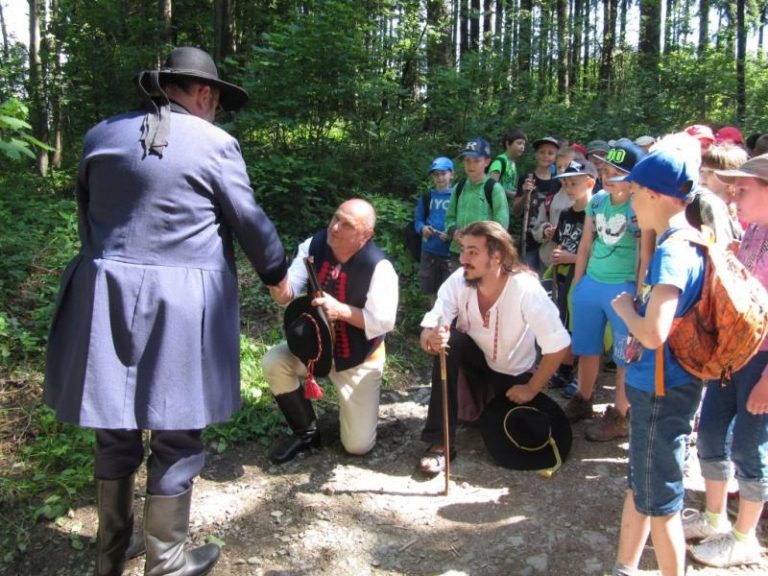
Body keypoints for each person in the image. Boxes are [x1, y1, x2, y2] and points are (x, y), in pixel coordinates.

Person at [42, 47, 290, 576]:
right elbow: (248, 220)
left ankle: (111, 555)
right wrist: (276, 274)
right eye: (216, 103)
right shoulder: (215, 144)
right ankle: (167, 562)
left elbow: (88, 219)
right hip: (180, 306)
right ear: (204, 93)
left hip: (103, 293)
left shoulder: (101, 135)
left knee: (114, 425)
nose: (215, 113)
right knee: (176, 431)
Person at [610, 145, 706, 576]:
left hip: (661, 390)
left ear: (653, 195)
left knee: (662, 503)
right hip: (669, 383)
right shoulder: (691, 241)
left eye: (633, 193)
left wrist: (626, 309)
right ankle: (625, 566)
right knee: (643, 485)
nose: (630, 202)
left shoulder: (672, 253)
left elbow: (653, 333)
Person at [416, 220, 570, 474]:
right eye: (463, 250)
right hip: (474, 363)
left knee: (513, 429)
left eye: (473, 252)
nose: (463, 259)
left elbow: (558, 344)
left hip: (512, 374)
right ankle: (440, 442)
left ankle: (485, 405)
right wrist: (430, 338)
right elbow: (433, 322)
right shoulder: (459, 280)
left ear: (497, 256)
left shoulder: (525, 289)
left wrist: (532, 388)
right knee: (449, 343)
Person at [264, 199, 398, 464]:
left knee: (358, 446)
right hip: (316, 350)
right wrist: (277, 284)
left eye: (347, 224)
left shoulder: (379, 267)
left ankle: (355, 414)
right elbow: (287, 294)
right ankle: (306, 433)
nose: (335, 227)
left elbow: (383, 322)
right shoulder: (313, 245)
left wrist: (342, 310)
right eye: (336, 218)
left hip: (359, 359)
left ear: (366, 235)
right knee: (274, 362)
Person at [682, 154, 768, 568]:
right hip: (732, 354)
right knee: (712, 433)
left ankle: (744, 537)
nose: (733, 196)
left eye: (743, 189)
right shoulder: (752, 231)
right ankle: (714, 518)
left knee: (751, 447)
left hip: (762, 362)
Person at [565, 139, 653, 443]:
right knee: (586, 347)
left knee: (623, 355)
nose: (608, 177)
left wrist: (639, 292)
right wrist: (578, 283)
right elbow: (586, 244)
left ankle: (620, 414)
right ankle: (583, 398)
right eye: (605, 171)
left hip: (623, 288)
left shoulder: (639, 207)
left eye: (617, 173)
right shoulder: (598, 201)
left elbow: (645, 254)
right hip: (592, 283)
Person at [546, 160, 598, 390]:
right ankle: (565, 369)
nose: (568, 188)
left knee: (582, 324)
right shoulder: (567, 213)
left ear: (590, 183)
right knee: (563, 321)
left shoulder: (596, 215)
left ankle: (580, 375)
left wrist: (572, 258)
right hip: (563, 276)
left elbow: (599, 253)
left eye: (573, 183)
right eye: (565, 183)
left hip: (586, 276)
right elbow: (561, 240)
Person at [445, 137, 509, 269]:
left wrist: (480, 239)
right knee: (457, 283)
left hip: (483, 254)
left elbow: (501, 225)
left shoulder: (494, 189)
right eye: (467, 160)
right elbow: (449, 218)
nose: (471, 165)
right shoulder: (459, 187)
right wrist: (454, 232)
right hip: (458, 253)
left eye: (476, 160)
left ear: (487, 161)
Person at [515, 136, 561, 272]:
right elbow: (516, 211)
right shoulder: (527, 178)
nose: (546, 156)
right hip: (528, 240)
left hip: (549, 242)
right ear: (536, 154)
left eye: (550, 153)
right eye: (542, 152)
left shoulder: (558, 182)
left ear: (555, 157)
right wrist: (525, 194)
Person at [414, 156, 454, 305]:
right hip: (429, 251)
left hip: (450, 253)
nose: (439, 178)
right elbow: (418, 220)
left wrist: (451, 234)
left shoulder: (457, 196)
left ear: (452, 175)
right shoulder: (427, 197)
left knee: (450, 292)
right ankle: (433, 315)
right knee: (430, 289)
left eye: (443, 173)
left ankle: (447, 319)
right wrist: (423, 228)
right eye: (436, 174)